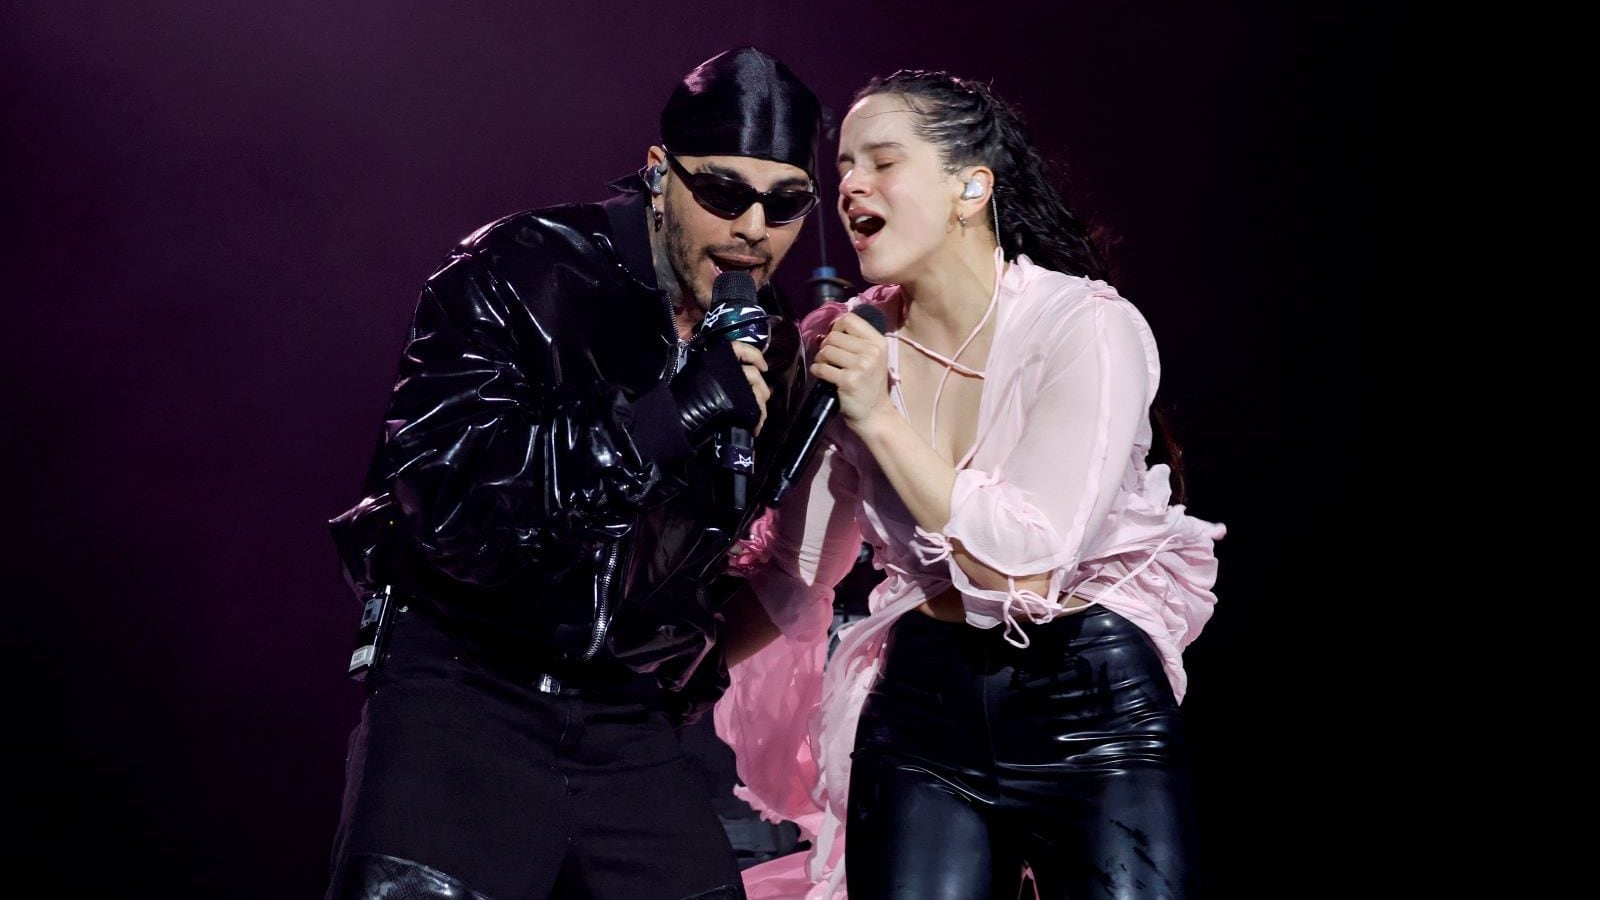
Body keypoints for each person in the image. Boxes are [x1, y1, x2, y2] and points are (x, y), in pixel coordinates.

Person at [324, 47, 824, 900]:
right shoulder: (521, 269)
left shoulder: (768, 343)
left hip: (624, 720)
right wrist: (667, 418)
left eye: (785, 204)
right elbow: (448, 508)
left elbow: (722, 563)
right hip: (466, 690)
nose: (753, 227)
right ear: (660, 173)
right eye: (723, 192)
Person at [714, 70, 1226, 899]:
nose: (850, 186)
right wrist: (661, 677)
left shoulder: (1085, 326)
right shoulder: (849, 342)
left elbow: (1028, 560)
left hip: (1090, 702)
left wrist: (880, 416)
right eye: (843, 167)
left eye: (883, 162)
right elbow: (798, 572)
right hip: (923, 709)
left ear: (970, 186)